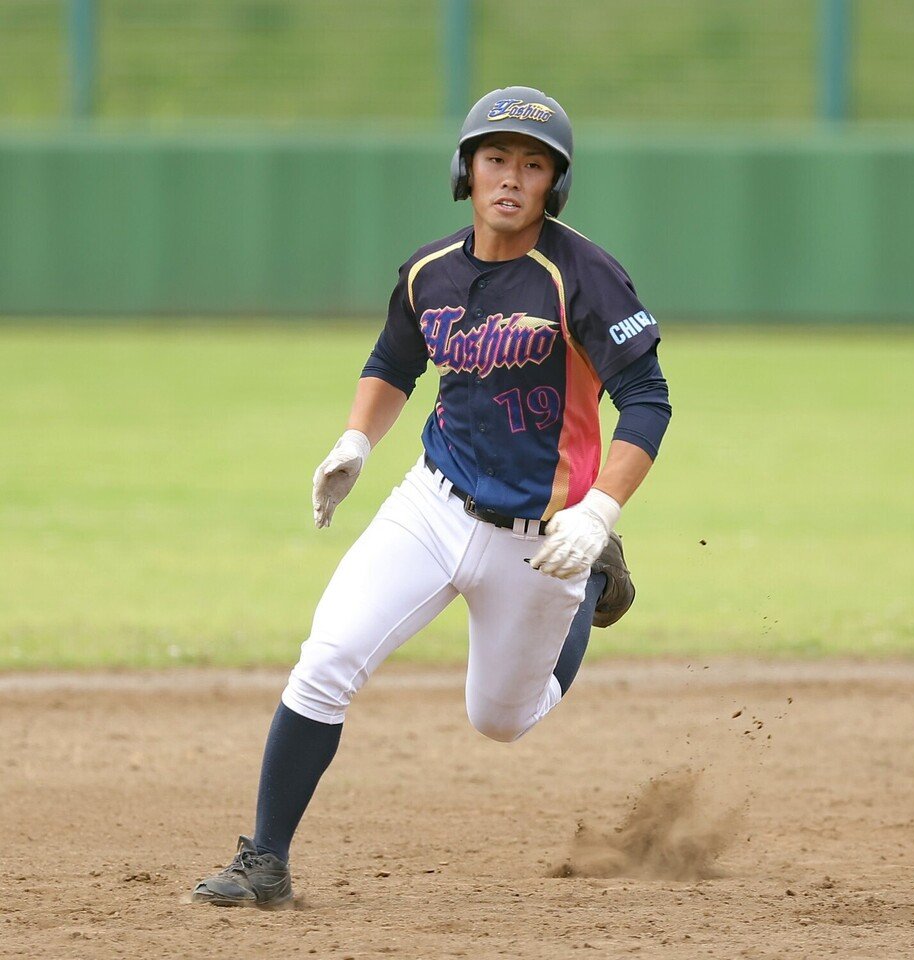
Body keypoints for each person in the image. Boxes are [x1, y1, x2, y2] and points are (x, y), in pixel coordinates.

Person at [191, 86, 671, 908]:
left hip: (543, 534)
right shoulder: (429, 271)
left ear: (554, 183)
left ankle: (593, 581)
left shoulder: (582, 275)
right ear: (466, 168)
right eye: (496, 158)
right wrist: (354, 441)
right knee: (328, 658)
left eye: (532, 163)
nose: (512, 177)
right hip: (432, 500)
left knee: (501, 721)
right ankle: (264, 861)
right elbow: (392, 362)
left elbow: (649, 398)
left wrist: (598, 516)